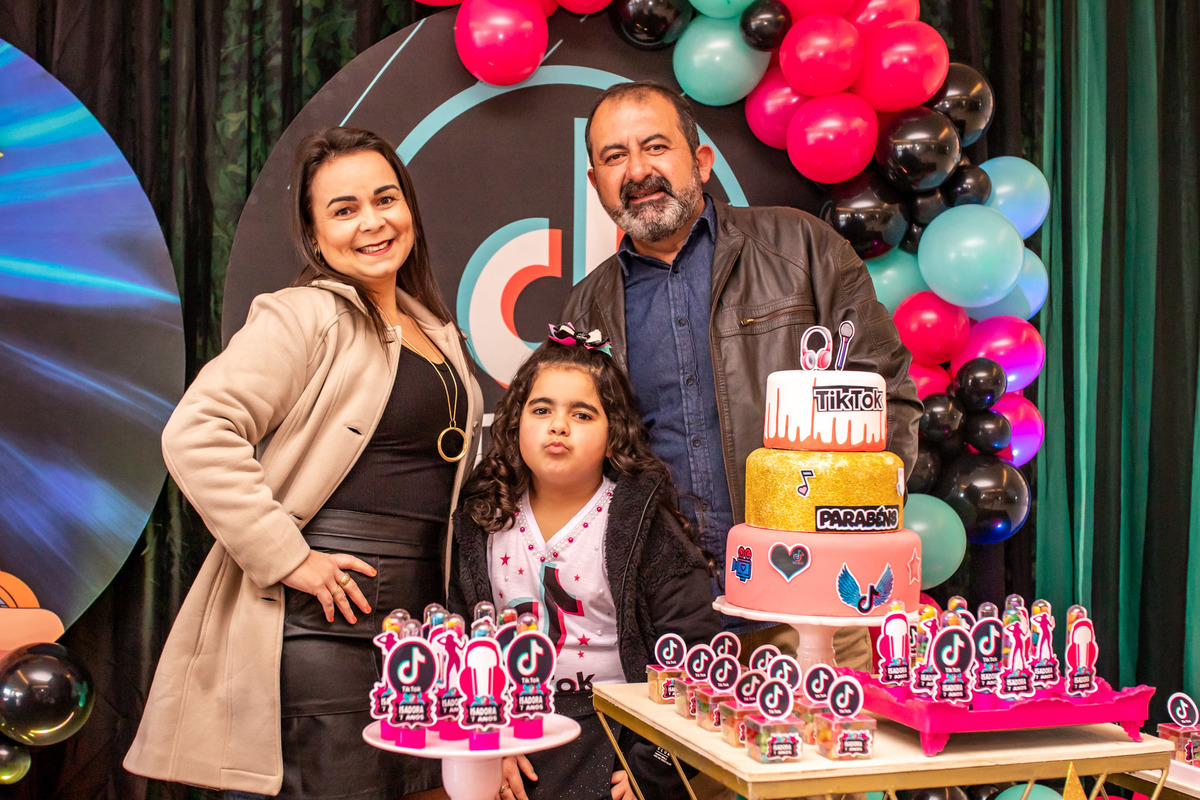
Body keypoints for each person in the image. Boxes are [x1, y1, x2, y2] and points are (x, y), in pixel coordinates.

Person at [124, 127, 483, 799]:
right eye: (344, 209)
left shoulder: (433, 329)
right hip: (328, 630)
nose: (372, 221)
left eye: (385, 199)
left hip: (419, 634)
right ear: (316, 238)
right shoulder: (304, 315)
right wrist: (289, 557)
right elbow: (197, 431)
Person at [560, 81, 922, 663]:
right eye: (614, 156)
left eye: (656, 147)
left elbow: (889, 396)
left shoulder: (801, 247)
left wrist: (848, 533)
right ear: (595, 181)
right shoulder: (584, 310)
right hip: (670, 625)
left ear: (701, 161)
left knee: (831, 726)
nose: (637, 171)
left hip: (812, 611)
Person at [449, 325, 722, 800]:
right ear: (514, 425)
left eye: (582, 414)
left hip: (616, 737)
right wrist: (487, 741)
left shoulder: (645, 527)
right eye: (542, 410)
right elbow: (461, 644)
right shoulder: (483, 519)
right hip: (512, 734)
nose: (559, 425)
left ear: (614, 434)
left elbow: (695, 653)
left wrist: (656, 766)